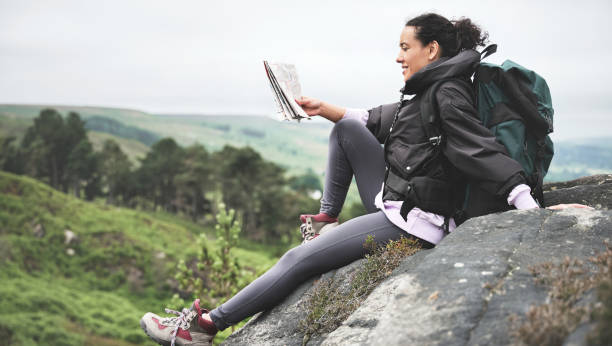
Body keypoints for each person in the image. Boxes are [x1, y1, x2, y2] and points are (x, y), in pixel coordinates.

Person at [139, 13, 564, 346]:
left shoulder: (446, 93)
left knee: (296, 261)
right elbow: (371, 121)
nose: (398, 56)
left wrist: (530, 207)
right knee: (344, 130)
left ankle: (204, 327)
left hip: (415, 222)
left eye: (405, 47)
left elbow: (478, 151)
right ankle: (325, 223)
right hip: (400, 196)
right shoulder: (430, 88)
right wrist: (321, 107)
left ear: (431, 49)